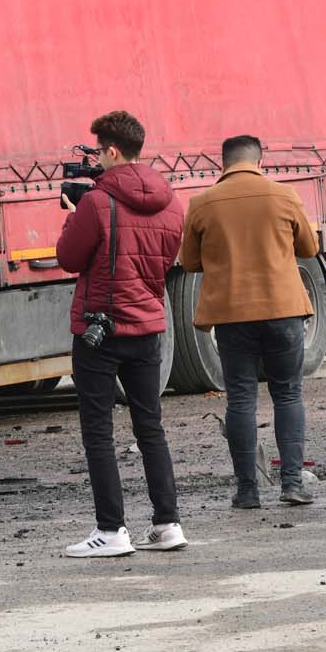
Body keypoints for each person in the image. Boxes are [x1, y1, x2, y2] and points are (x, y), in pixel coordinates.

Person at [54, 111, 187, 557]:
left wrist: (73, 219)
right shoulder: (172, 204)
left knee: (99, 432)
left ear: (112, 150)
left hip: (100, 329)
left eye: (99, 151)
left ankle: (111, 531)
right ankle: (168, 524)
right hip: (148, 327)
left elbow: (70, 259)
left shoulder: (95, 203)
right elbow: (164, 263)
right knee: (151, 427)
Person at [178, 135, 321, 508]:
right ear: (261, 161)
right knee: (288, 394)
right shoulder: (284, 196)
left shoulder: (202, 203)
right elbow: (309, 249)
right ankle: (292, 483)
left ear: (222, 164)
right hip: (283, 311)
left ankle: (247, 492)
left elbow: (190, 262)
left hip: (232, 315)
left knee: (241, 399)